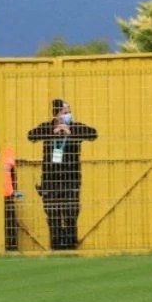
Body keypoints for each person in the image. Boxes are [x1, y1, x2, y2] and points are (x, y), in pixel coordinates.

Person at [27, 99, 98, 250]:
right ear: (56, 115)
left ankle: (71, 246)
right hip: (50, 180)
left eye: (69, 112)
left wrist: (70, 134)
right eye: (65, 113)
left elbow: (93, 134)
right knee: (53, 215)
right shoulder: (47, 127)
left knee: (71, 214)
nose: (68, 115)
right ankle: (56, 246)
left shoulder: (75, 127)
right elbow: (31, 136)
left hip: (71, 179)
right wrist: (52, 134)